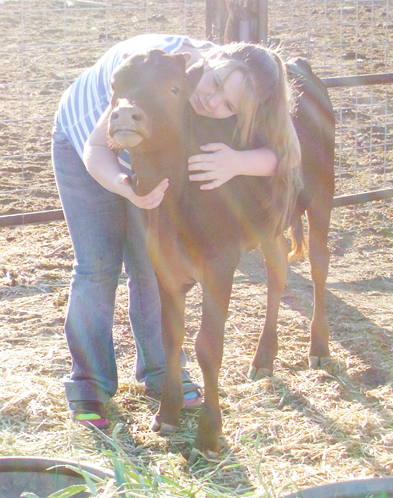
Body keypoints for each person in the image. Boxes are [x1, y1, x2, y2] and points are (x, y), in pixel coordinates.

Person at [52, 33, 301, 429]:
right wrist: (125, 184)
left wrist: (237, 160)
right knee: (98, 266)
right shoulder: (154, 69)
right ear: (207, 62)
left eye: (228, 106)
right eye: (215, 85)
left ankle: (161, 375)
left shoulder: (236, 85)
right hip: (88, 138)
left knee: (151, 266)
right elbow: (98, 149)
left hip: (149, 149)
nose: (212, 102)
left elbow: (285, 153)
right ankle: (90, 387)